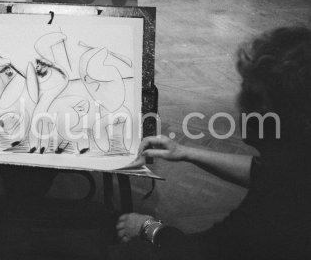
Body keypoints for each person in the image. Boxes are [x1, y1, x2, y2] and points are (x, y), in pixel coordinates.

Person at [114, 26, 311, 260]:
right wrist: (184, 152)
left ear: (266, 108)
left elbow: (201, 251)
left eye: (246, 90)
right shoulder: (297, 155)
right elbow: (266, 171)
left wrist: (147, 227)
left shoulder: (273, 208)